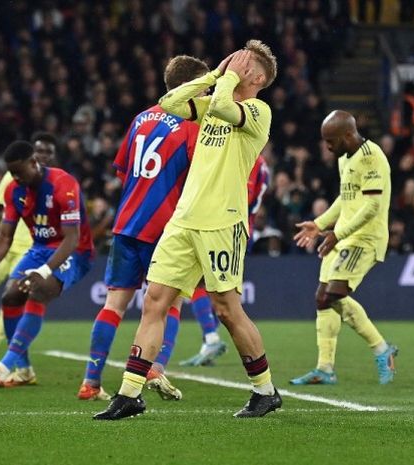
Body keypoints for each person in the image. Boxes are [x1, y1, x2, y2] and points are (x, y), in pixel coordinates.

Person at [95, 41, 281, 420]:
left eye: (242, 64)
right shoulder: (212, 103)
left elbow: (228, 107)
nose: (233, 66)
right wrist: (215, 75)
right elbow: (170, 104)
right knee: (155, 301)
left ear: (258, 77)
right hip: (183, 220)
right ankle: (130, 394)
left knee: (227, 309)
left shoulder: (258, 111)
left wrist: (226, 80)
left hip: (222, 222)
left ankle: (265, 391)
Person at [78, 55, 209, 402]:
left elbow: (123, 170)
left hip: (126, 223)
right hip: (165, 228)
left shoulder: (141, 118)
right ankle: (155, 368)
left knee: (114, 304)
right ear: (191, 87)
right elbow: (199, 180)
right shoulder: (192, 127)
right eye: (205, 85)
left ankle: (91, 382)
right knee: (170, 304)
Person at [0, 140, 94, 388]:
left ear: (34, 163)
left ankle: (5, 365)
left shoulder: (63, 185)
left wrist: (43, 272)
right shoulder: (14, 190)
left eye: (19, 172)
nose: (15, 178)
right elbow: (5, 236)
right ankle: (24, 370)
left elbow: (72, 238)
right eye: (11, 173)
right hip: (40, 249)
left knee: (38, 291)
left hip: (74, 252)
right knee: (10, 297)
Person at [290, 110, 397, 386]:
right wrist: (318, 224)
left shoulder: (371, 157)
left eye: (331, 141)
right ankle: (325, 368)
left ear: (348, 135)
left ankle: (381, 349)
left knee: (335, 293)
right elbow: (346, 199)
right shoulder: (346, 158)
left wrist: (337, 233)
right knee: (323, 299)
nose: (327, 147)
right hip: (344, 236)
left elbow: (372, 206)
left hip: (364, 238)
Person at [0, 132, 58, 367]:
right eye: (40, 151)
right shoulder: (12, 177)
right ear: (31, 154)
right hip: (4, 244)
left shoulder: (55, 183)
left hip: (30, 251)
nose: (44, 155)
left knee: (11, 297)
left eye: (49, 151)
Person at [180, 154, 269, 366]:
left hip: (228, 229)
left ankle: (211, 338)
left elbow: (246, 198)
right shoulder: (258, 163)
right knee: (215, 288)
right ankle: (208, 341)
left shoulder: (251, 161)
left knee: (204, 284)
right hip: (234, 228)